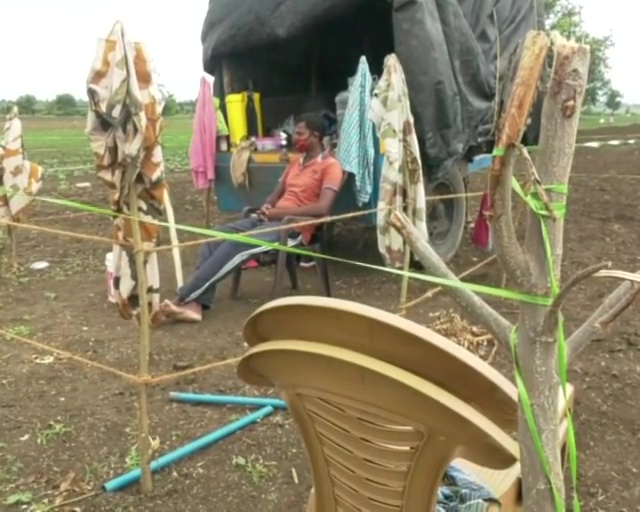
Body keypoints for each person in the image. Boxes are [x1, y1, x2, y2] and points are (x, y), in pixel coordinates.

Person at [160, 113, 344, 323]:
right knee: (213, 238)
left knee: (237, 244)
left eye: (300, 133)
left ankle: (182, 298)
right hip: (271, 219)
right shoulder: (295, 163)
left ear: (316, 136)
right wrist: (268, 206)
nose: (295, 137)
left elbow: (323, 208)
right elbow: (276, 193)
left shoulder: (331, 166)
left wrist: (278, 214)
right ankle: (196, 305)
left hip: (293, 228)